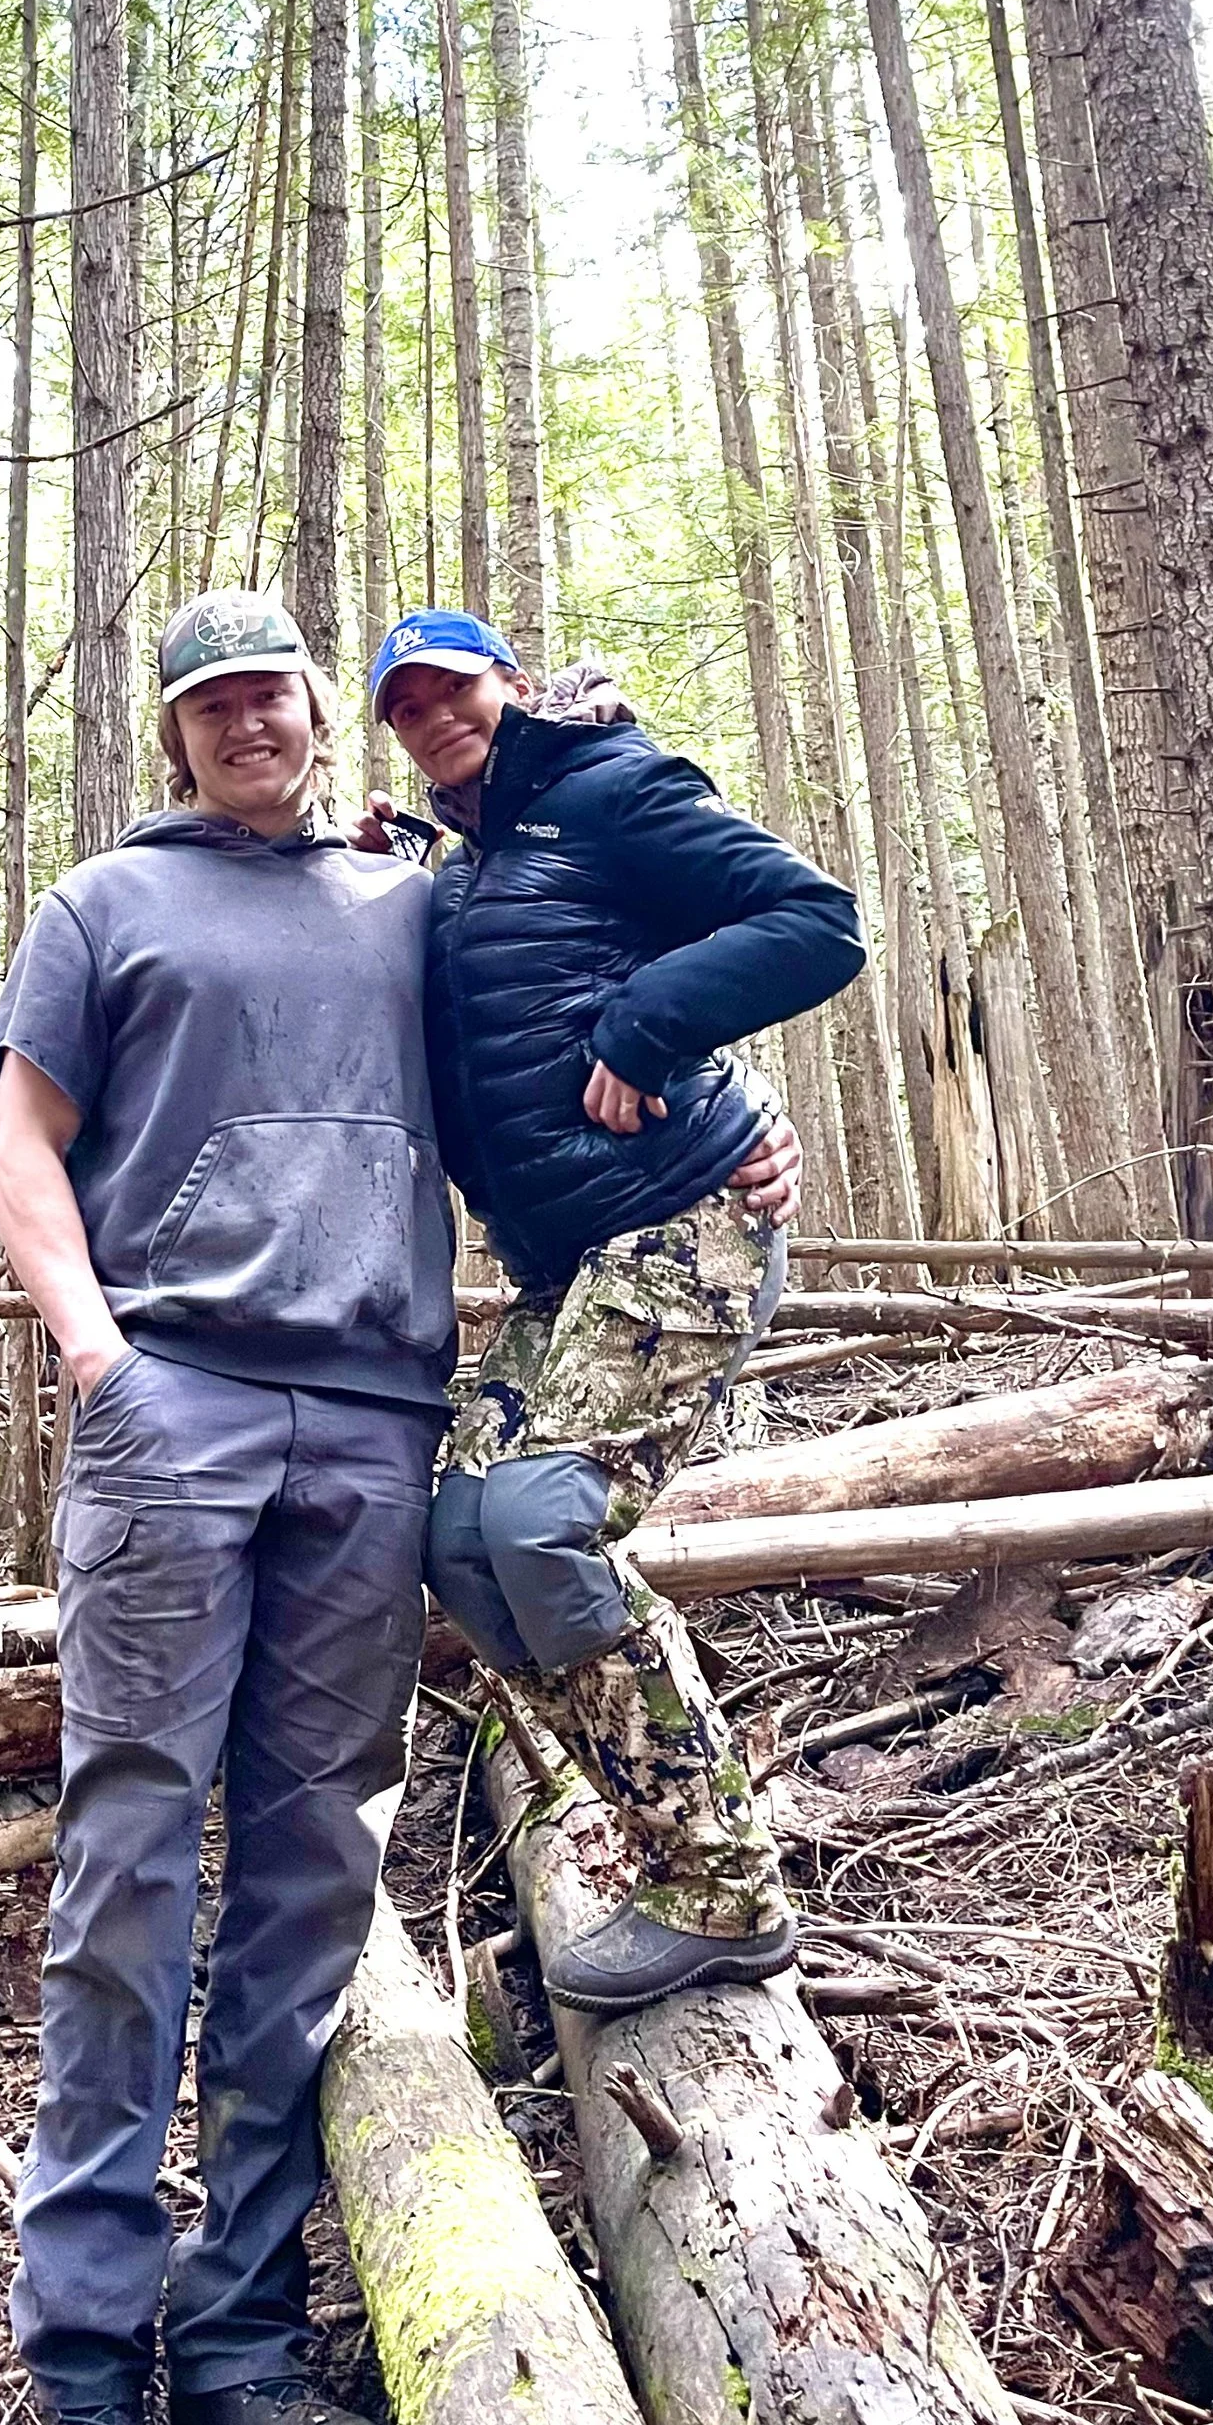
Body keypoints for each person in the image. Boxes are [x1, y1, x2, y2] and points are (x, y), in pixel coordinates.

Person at [0, 590, 448, 2425]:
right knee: (129, 1853)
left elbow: (535, 1101)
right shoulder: (104, 903)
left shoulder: (419, 900)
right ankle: (85, 2346)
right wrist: (101, 1356)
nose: (247, 719)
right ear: (171, 734)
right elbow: (26, 1144)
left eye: (273, 691)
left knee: (314, 1866)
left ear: (322, 713)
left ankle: (243, 2332)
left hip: (372, 1415)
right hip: (172, 1402)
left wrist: (726, 1128)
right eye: (210, 701)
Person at [372, 607, 864, 2012]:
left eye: (451, 691)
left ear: (510, 687)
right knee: (457, 1539)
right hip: (572, 1269)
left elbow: (815, 921)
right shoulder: (474, 862)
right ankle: (655, 1828)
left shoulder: (614, 789)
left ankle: (725, 1886)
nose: (433, 719)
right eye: (405, 708)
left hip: (687, 1225)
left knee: (535, 1517)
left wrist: (658, 1034)